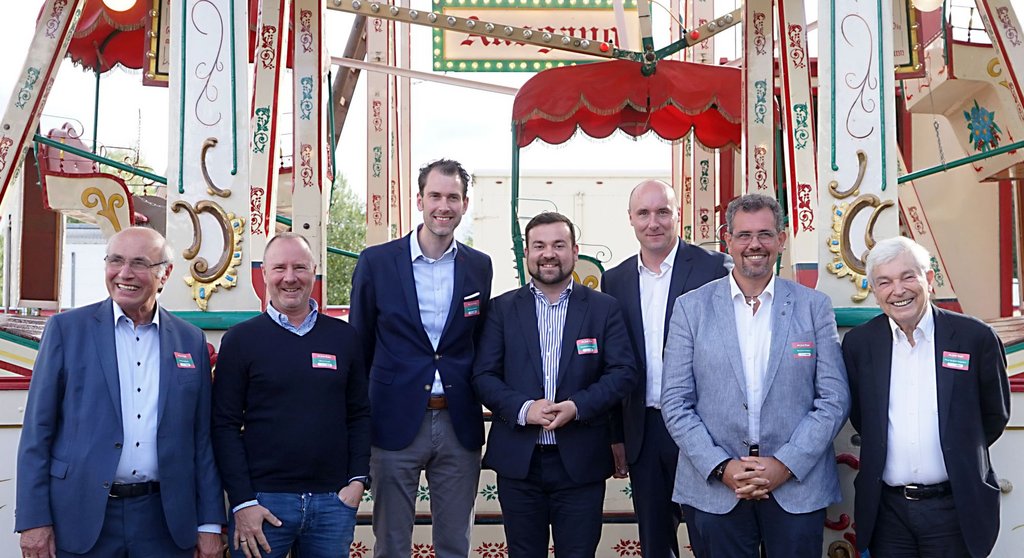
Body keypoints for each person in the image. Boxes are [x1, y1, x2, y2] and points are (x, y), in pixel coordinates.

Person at [16, 226, 225, 558]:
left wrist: (210, 523)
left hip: (165, 522)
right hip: (80, 517)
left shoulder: (190, 340)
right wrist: (33, 520)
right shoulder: (67, 331)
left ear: (165, 273)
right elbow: (37, 432)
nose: (124, 273)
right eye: (115, 260)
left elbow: (202, 439)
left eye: (139, 263)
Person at [660, 193, 850, 558]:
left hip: (797, 486)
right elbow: (675, 401)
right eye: (744, 235)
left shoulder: (813, 307)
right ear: (727, 240)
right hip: (715, 488)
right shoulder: (690, 308)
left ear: (781, 239)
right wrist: (722, 467)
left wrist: (785, 464)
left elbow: (834, 398)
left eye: (765, 234)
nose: (755, 245)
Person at [349, 159, 493, 558]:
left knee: (455, 543)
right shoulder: (376, 262)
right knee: (392, 543)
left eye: (453, 197)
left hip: (459, 421)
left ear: (465, 204)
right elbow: (360, 345)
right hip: (393, 420)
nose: (443, 206)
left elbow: (479, 340)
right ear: (419, 200)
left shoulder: (479, 266)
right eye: (435, 196)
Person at [473, 211, 638, 557]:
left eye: (559, 245)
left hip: (581, 461)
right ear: (527, 253)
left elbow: (623, 372)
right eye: (539, 246)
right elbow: (483, 376)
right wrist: (525, 409)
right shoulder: (501, 309)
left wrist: (577, 407)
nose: (549, 254)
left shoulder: (603, 308)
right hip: (519, 462)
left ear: (574, 251)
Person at [842, 236, 1010, 558]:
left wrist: (957, 448)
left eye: (908, 276)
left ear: (929, 279)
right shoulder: (860, 344)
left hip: (954, 509)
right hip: (887, 513)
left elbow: (994, 415)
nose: (898, 290)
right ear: (874, 290)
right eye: (885, 282)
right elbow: (862, 417)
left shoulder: (975, 338)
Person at [212, 232, 371, 558]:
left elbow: (359, 414)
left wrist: (357, 482)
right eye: (279, 268)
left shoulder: (344, 338)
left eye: (299, 267)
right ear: (264, 274)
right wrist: (242, 501)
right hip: (262, 503)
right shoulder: (240, 341)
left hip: (332, 503)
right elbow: (223, 425)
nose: (289, 277)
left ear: (314, 271)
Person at [601, 179, 730, 558]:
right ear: (630, 218)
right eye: (643, 213)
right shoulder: (615, 280)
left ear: (678, 215)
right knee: (655, 541)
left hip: (704, 427)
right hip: (644, 429)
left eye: (662, 212)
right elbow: (614, 364)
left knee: (711, 535)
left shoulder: (714, 269)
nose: (653, 222)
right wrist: (617, 434)